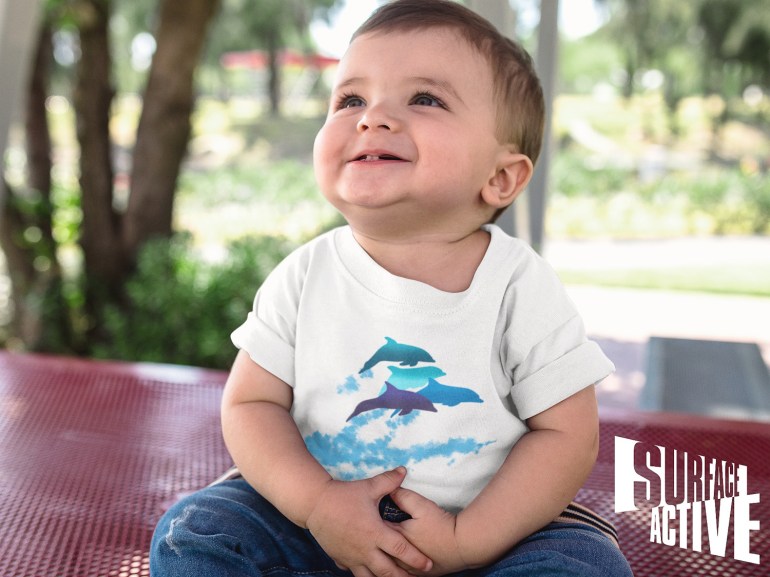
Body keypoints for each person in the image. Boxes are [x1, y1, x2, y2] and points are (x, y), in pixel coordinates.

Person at [150, 1, 633, 576]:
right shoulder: (304, 276)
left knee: (585, 567)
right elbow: (252, 404)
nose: (372, 118)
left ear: (501, 177)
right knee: (196, 535)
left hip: (490, 540)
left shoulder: (518, 286)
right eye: (351, 99)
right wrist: (317, 505)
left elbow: (567, 436)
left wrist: (466, 539)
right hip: (316, 531)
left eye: (425, 99)